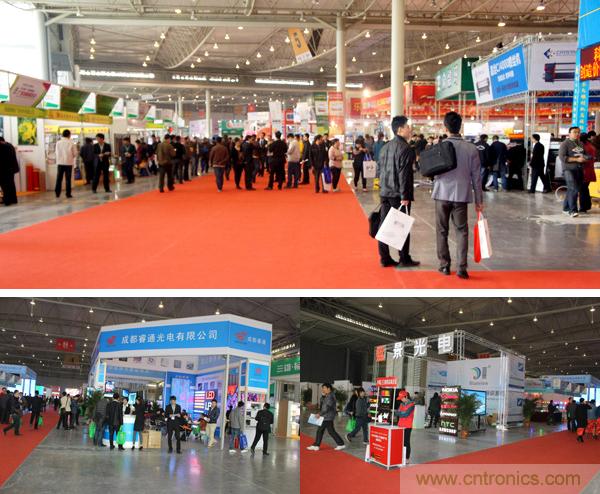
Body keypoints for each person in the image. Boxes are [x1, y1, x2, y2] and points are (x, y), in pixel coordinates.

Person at [433, 112, 483, 280]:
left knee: (442, 230)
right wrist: (479, 201)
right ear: (460, 127)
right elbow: (477, 177)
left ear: (445, 128)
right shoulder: (471, 148)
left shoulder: (439, 146)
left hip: (441, 193)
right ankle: (462, 268)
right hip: (461, 195)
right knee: (462, 231)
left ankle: (444, 265)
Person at [377, 115, 420, 269]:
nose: (410, 129)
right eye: (408, 127)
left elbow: (379, 170)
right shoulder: (406, 149)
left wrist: (382, 187)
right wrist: (405, 195)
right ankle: (404, 258)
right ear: (400, 129)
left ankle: (385, 258)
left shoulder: (385, 147)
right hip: (398, 194)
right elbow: (404, 174)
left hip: (385, 192)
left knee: (384, 226)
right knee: (401, 226)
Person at [306, 383, 345, 451]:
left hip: (327, 416)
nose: (323, 390)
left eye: (324, 388)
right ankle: (316, 445)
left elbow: (326, 408)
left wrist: (319, 414)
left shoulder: (330, 396)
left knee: (325, 431)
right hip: (326, 416)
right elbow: (322, 404)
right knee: (324, 431)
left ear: (328, 388)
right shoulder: (327, 395)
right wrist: (323, 396)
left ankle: (340, 444)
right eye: (322, 388)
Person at [559, 126, 587, 218]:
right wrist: (576, 159)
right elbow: (562, 157)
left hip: (579, 169)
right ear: (569, 133)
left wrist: (586, 158)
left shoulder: (580, 143)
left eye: (578, 132)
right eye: (574, 132)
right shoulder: (565, 143)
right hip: (568, 169)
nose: (577, 134)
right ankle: (573, 210)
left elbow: (585, 154)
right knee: (573, 189)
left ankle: (565, 208)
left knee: (572, 189)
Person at [54, 129, 78, 198]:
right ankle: (68, 194)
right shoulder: (71, 143)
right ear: (69, 135)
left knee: (59, 178)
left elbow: (56, 152)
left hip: (60, 163)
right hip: (68, 163)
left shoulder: (58, 143)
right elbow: (75, 153)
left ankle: (57, 193)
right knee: (68, 179)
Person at [393, 390, 415, 463]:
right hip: (400, 425)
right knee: (400, 442)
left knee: (406, 442)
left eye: (402, 398)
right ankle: (400, 456)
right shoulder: (401, 404)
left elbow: (406, 414)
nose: (401, 400)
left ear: (406, 396)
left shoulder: (411, 405)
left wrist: (400, 413)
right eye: (400, 398)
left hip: (407, 426)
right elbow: (397, 413)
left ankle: (407, 458)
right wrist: (401, 413)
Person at [579, 132, 596, 213]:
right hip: (589, 170)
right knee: (585, 189)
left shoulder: (582, 146)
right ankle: (587, 205)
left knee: (582, 189)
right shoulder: (590, 145)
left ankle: (583, 207)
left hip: (584, 170)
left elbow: (581, 158)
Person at [0, 137, 19, 206]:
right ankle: (13, 200)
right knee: (11, 185)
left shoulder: (3, 147)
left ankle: (7, 201)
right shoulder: (10, 145)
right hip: (11, 169)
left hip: (4, 170)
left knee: (5, 186)